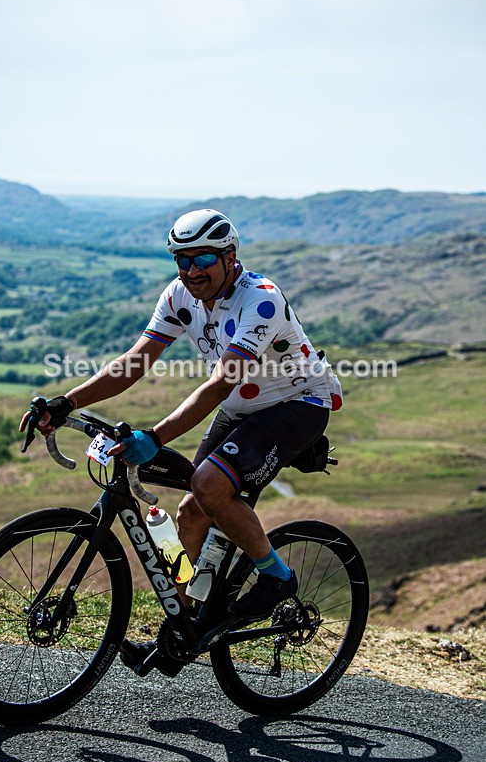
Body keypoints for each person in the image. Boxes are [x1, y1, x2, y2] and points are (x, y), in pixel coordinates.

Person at [20, 209, 342, 675]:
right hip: (241, 410)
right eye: (182, 260)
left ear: (230, 257)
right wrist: (67, 403)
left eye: (204, 258)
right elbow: (134, 362)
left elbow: (218, 384)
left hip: (299, 402)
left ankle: (275, 574)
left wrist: (155, 436)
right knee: (193, 508)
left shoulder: (261, 300)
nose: (192, 271)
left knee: (211, 485)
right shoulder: (179, 296)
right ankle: (188, 622)